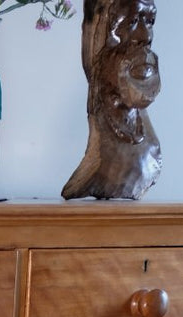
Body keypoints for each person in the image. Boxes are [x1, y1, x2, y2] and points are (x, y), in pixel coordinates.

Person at [62, 0, 161, 200]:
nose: (146, 36)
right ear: (98, 33)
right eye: (132, 21)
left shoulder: (150, 150)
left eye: (150, 22)